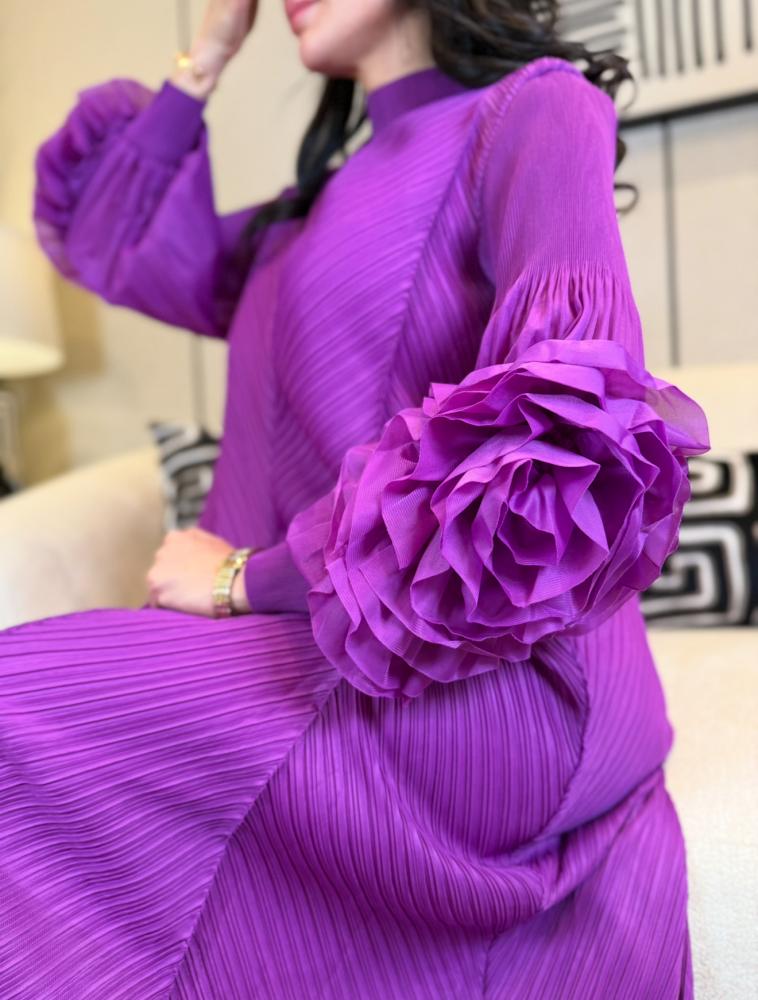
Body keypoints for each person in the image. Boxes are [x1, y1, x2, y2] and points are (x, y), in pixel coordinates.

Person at [0, 0, 709, 996]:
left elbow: (568, 442)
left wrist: (245, 577)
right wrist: (205, 55)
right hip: (322, 648)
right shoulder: (306, 212)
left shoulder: (534, 111)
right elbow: (110, 237)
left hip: (472, 683)